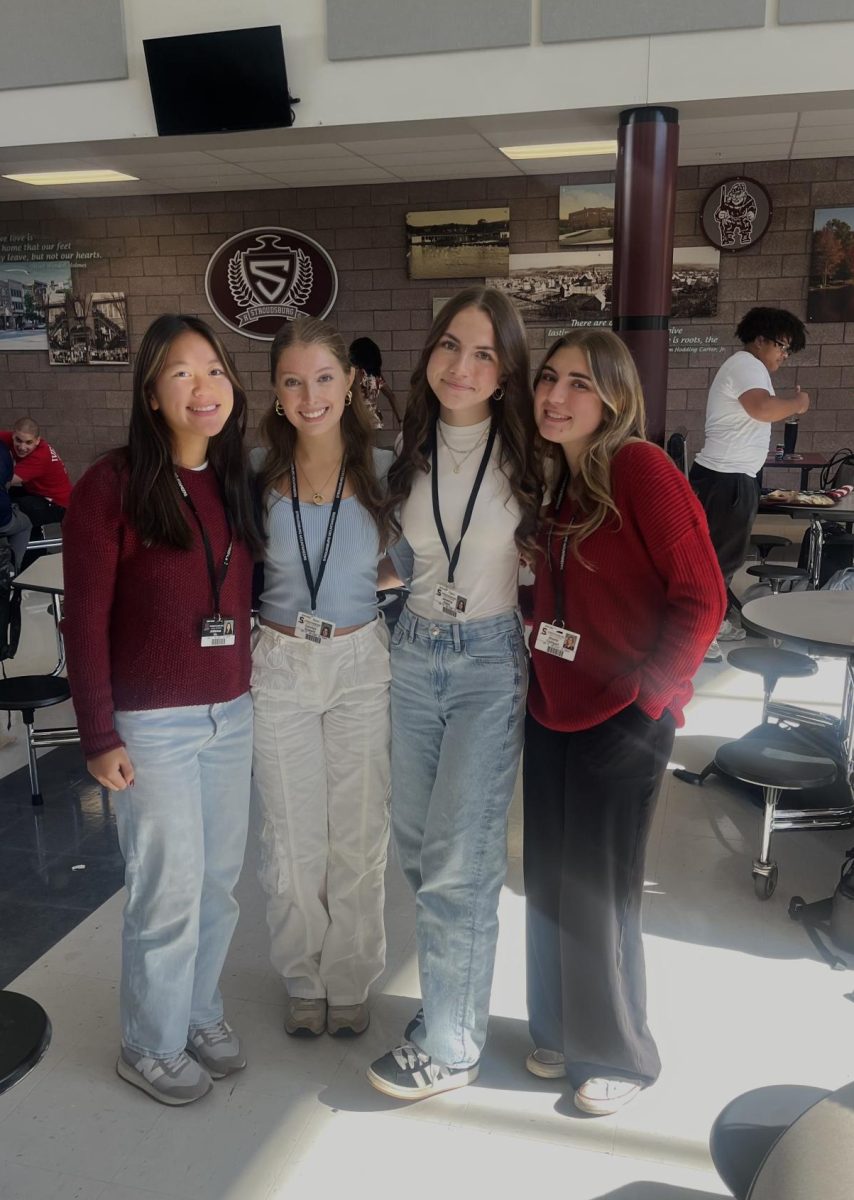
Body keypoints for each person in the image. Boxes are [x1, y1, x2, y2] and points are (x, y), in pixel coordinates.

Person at [61, 314, 263, 1106]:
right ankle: (148, 1041)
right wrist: (98, 732)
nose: (202, 386)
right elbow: (82, 619)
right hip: (153, 725)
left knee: (216, 883)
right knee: (167, 888)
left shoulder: (235, 478)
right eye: (180, 373)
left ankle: (197, 1012)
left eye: (213, 369)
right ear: (151, 394)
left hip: (231, 714)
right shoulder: (111, 485)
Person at [523, 329, 725, 1117]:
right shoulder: (558, 485)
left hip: (623, 716)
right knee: (547, 879)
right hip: (552, 711)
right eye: (548, 379)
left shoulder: (642, 468)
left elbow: (703, 596)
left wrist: (653, 695)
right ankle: (558, 1027)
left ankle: (618, 1054)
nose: (556, 395)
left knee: (601, 891)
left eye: (579, 382)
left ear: (614, 397)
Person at [367, 286, 543, 1101]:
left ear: (506, 372)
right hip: (412, 649)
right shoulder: (410, 444)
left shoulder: (533, 455)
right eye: (448, 346)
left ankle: (453, 1043)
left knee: (459, 863)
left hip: (485, 660)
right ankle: (451, 1002)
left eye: (482, 353)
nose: (461, 366)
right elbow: (411, 553)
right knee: (417, 847)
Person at [251, 317, 398, 1040]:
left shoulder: (384, 466)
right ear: (276, 393)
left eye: (324, 378)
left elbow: (420, 554)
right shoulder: (254, 472)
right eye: (293, 381)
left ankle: (350, 976)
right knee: (291, 835)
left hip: (359, 661)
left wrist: (369, 588)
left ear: (350, 384)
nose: (310, 396)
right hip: (277, 665)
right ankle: (303, 976)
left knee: (359, 832)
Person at [689, 307, 808, 660]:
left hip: (728, 477)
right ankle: (701, 634)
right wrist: (798, 404)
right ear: (759, 339)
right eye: (781, 347)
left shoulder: (748, 367)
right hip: (725, 479)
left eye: (788, 350)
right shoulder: (747, 365)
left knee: (721, 558)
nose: (783, 356)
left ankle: (714, 620)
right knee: (718, 562)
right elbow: (762, 409)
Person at [0, 417, 72, 530]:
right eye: (18, 440)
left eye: (29, 442)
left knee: (7, 507)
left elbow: (4, 479)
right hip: (36, 492)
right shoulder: (15, 438)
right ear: (13, 436)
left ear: (37, 441)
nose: (22, 447)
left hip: (57, 504)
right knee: (7, 496)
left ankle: (11, 544)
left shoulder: (40, 457)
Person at [349, 336, 402, 430]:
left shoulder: (354, 374)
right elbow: (391, 396)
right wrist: (401, 421)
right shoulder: (376, 376)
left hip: (357, 422)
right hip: (374, 422)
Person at [0, 439, 32, 569]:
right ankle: (12, 571)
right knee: (25, 524)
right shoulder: (3, 450)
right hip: (2, 519)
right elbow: (7, 484)